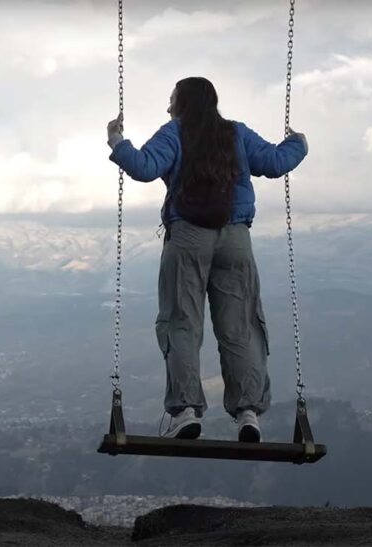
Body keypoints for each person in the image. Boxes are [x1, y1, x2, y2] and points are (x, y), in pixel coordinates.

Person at [106, 77, 308, 442]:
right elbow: (277, 162)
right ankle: (247, 412)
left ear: (182, 103)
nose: (168, 107)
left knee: (182, 322)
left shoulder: (174, 132)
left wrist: (117, 140)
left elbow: (144, 168)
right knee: (241, 326)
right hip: (235, 239)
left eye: (171, 101)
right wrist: (299, 142)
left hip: (188, 237)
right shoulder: (236, 134)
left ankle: (186, 411)